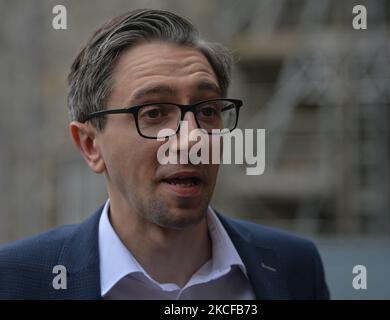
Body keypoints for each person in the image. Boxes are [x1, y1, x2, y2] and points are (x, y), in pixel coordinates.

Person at [0, 9, 329, 300]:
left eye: (209, 110)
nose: (192, 138)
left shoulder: (294, 268)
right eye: (154, 113)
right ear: (90, 145)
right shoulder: (16, 280)